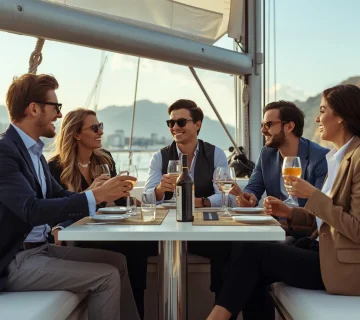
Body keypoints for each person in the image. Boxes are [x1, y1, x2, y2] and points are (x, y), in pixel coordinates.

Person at [207, 84, 360, 320]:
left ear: (340, 116)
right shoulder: (338, 157)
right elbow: (323, 221)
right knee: (246, 263)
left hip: (343, 267)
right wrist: (290, 213)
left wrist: (312, 196)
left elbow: (356, 229)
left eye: (322, 110)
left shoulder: (353, 159)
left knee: (252, 254)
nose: (317, 118)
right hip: (319, 248)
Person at [0, 73, 140, 320]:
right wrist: (95, 196)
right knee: (106, 277)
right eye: (55, 107)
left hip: (39, 250)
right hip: (14, 261)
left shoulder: (34, 153)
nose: (59, 115)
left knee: (118, 262)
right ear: (34, 109)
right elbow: (31, 210)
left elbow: (59, 195)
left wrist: (99, 194)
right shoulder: (5, 152)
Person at [48, 108, 156, 319]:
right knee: (125, 251)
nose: (101, 132)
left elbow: (116, 200)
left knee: (139, 247)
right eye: (95, 128)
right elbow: (57, 210)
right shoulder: (54, 167)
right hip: (78, 234)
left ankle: (137, 312)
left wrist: (129, 198)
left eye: (101, 126)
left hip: (105, 228)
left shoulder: (104, 159)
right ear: (76, 134)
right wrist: (91, 193)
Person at [143, 99, 229, 295]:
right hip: (165, 232)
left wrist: (202, 202)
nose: (174, 127)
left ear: (197, 124)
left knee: (227, 249)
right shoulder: (159, 157)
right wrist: (158, 190)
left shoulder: (215, 154)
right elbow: (146, 199)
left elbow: (227, 196)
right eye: (170, 123)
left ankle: (221, 309)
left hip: (203, 231)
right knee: (132, 252)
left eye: (181, 122)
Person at [230, 100, 328, 238]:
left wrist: (289, 215)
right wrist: (249, 197)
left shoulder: (320, 158)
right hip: (276, 228)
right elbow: (254, 187)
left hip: (305, 233)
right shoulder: (267, 154)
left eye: (269, 125)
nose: (263, 130)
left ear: (289, 127)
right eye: (262, 125)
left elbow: (322, 210)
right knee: (232, 243)